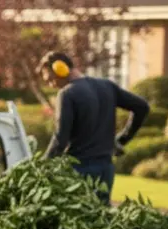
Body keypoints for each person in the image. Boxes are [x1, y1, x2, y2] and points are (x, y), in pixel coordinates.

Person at [40, 51, 150, 203]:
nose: (51, 85)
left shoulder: (67, 94)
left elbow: (60, 139)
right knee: (100, 216)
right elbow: (142, 107)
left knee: (78, 219)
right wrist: (121, 140)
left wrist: (41, 167)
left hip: (79, 169)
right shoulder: (107, 86)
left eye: (50, 79)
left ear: (60, 69)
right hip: (106, 169)